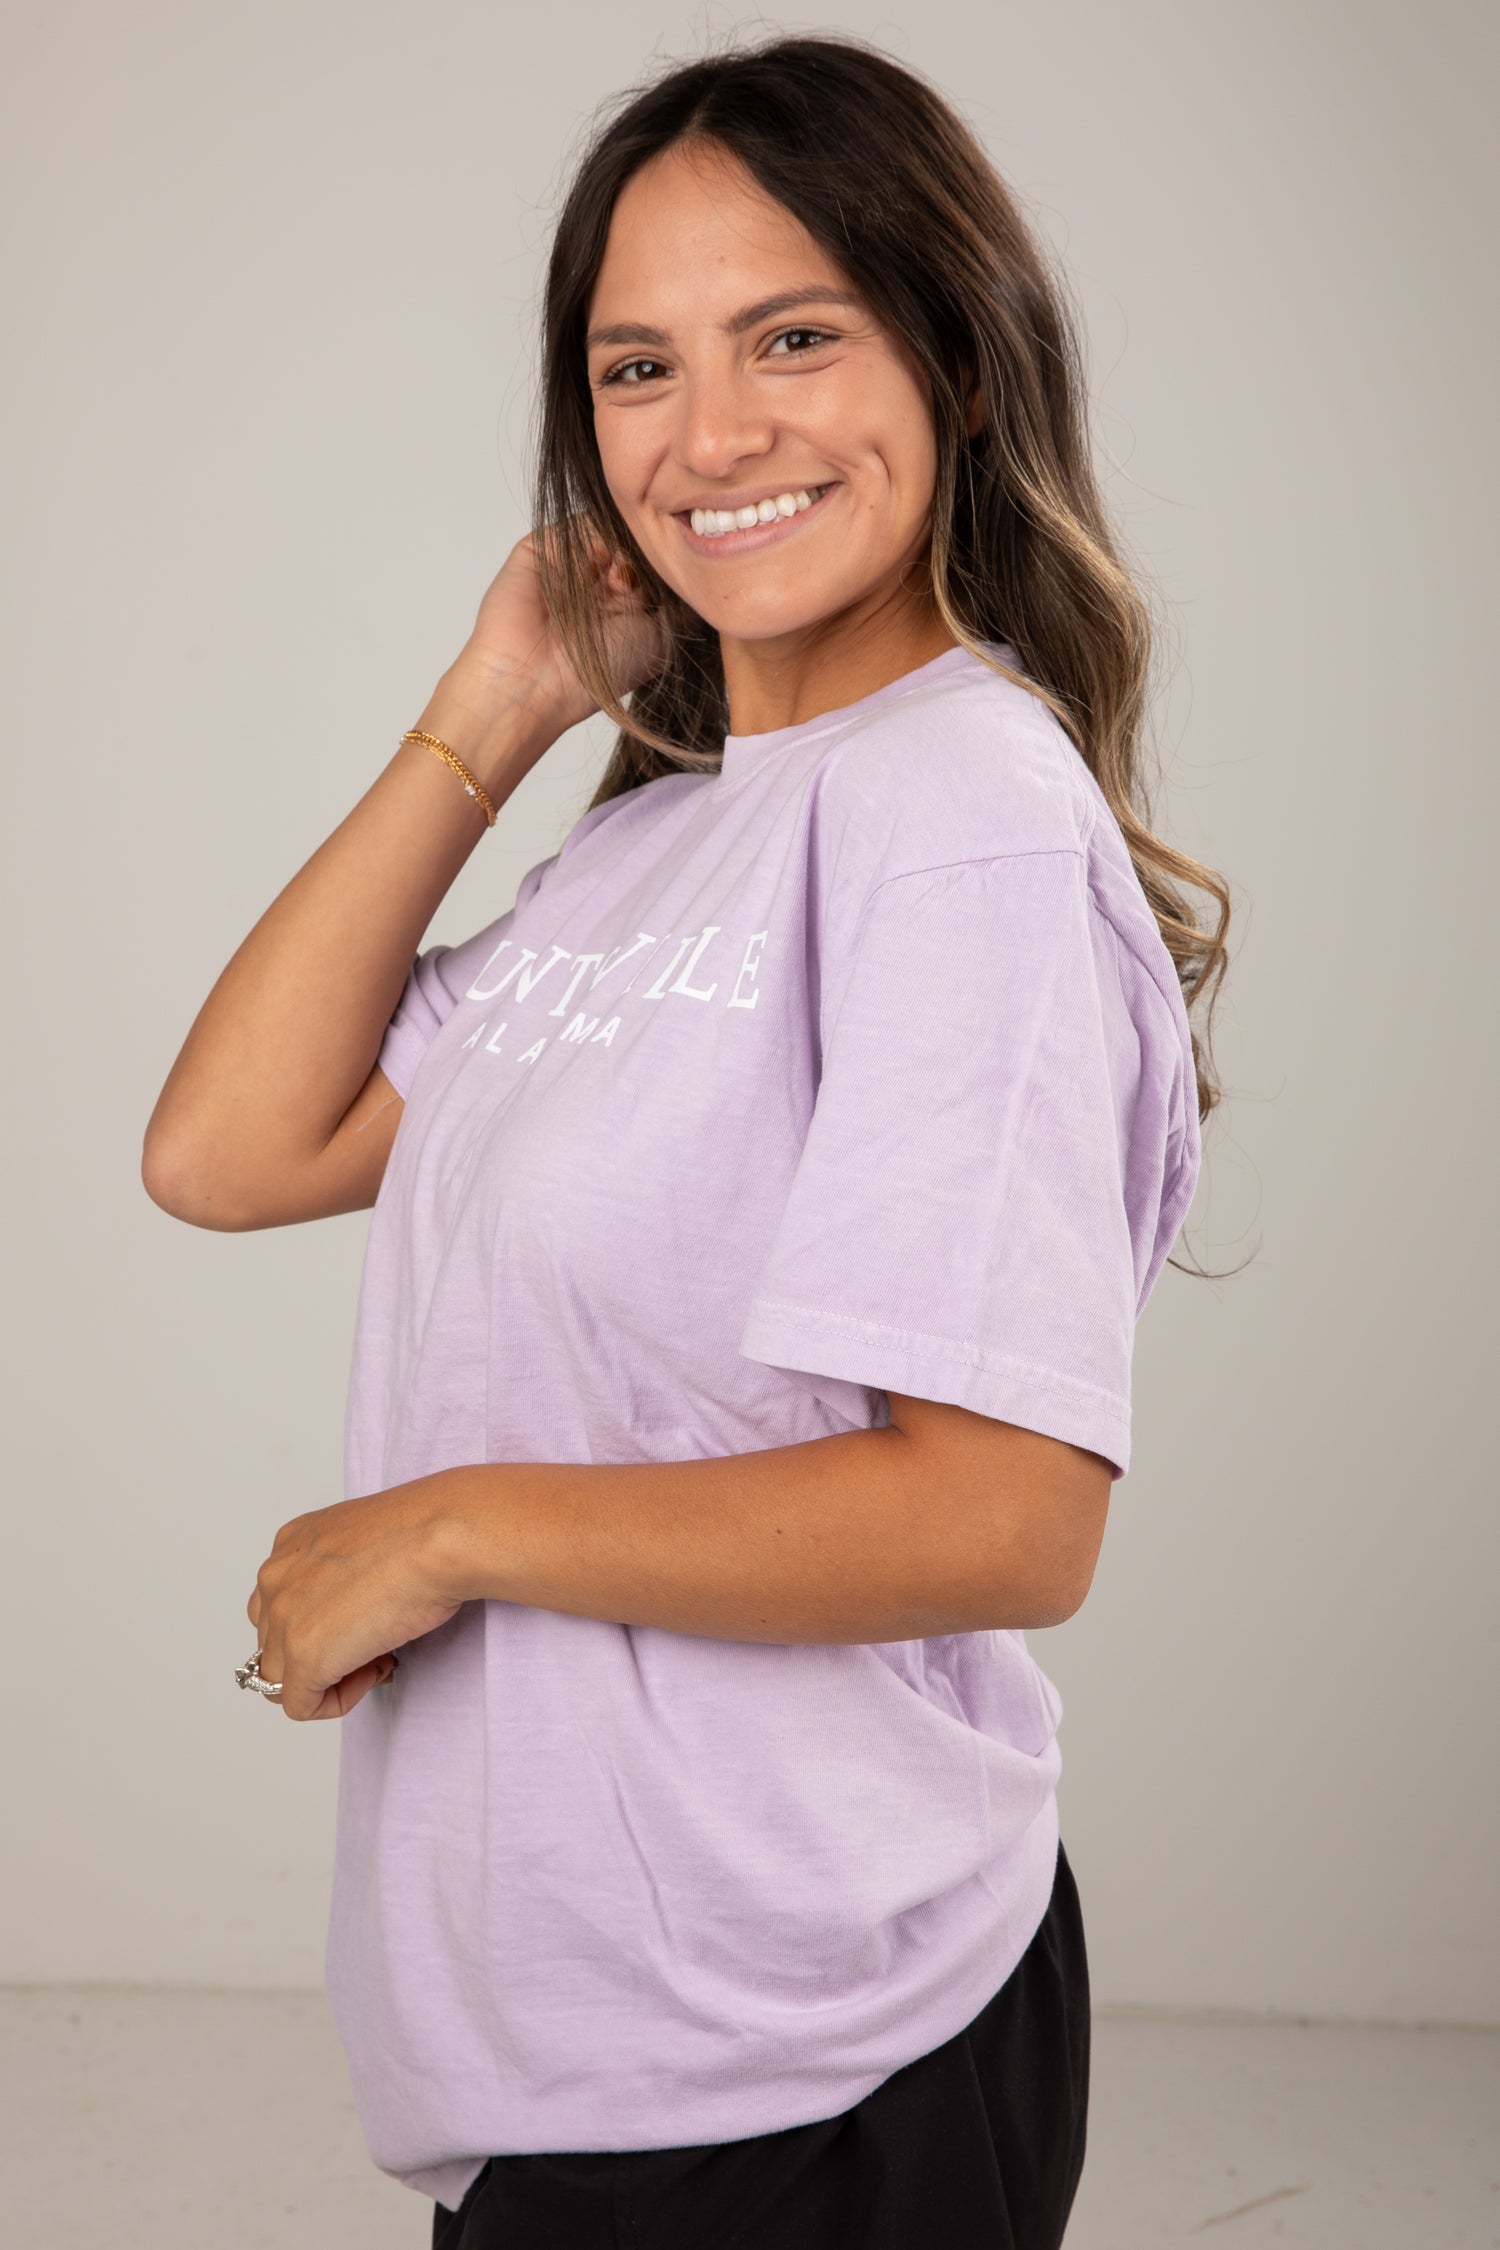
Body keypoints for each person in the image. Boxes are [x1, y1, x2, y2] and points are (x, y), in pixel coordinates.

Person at [143, 32, 1230, 2250]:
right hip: (576, 2042)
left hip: (810, 2050)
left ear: (958, 358)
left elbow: (1009, 1516)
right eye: (638, 367)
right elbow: (229, 1146)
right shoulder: (661, 853)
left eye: (795, 336)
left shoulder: (962, 819)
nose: (710, 434)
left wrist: (438, 1532)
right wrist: (499, 702)